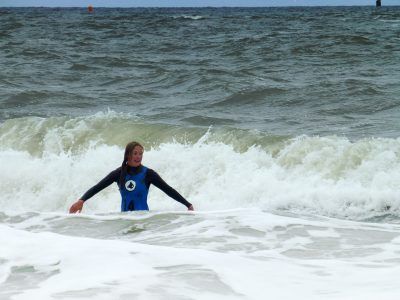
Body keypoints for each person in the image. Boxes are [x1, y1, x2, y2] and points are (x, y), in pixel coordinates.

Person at [69, 141, 194, 213]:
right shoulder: (119, 173)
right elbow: (98, 186)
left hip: (143, 219)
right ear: (128, 155)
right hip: (124, 220)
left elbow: (168, 189)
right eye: (135, 153)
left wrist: (188, 205)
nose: (138, 156)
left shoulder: (148, 174)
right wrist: (82, 200)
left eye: (141, 154)